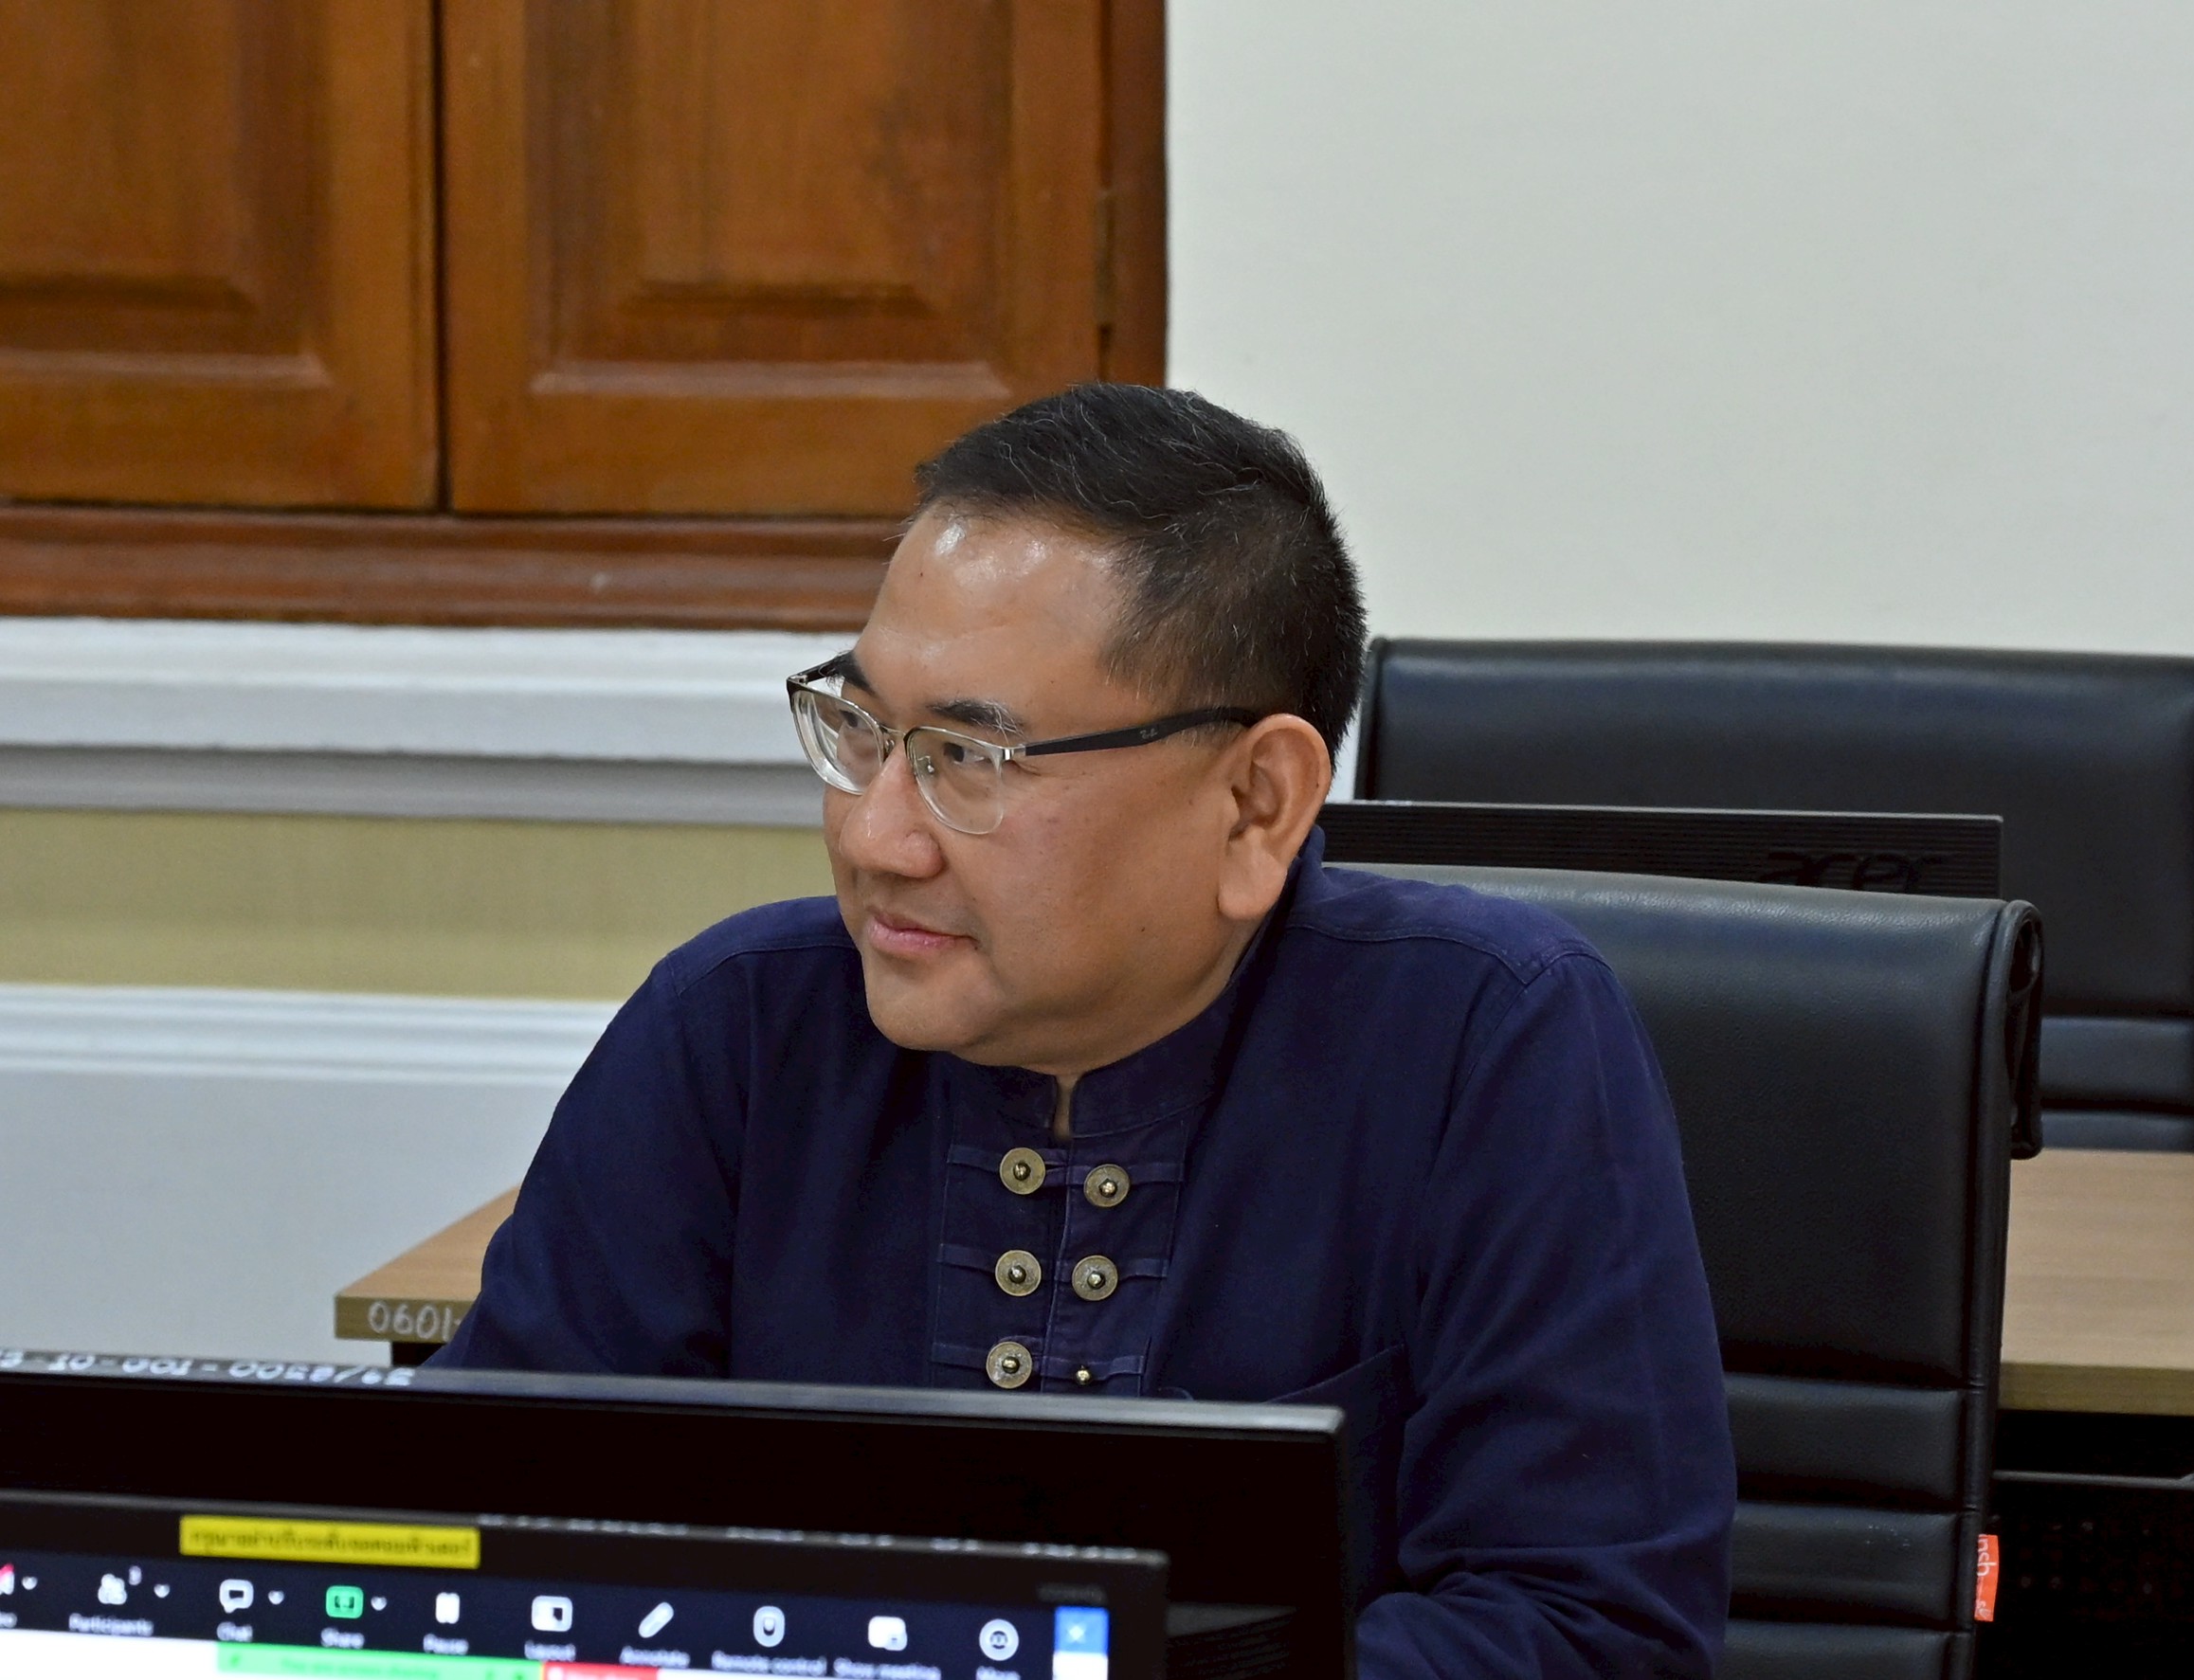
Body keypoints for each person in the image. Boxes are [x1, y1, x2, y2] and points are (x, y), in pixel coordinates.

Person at [436, 383, 1735, 1676]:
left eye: (968, 757)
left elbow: (1586, 1631)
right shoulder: (735, 1032)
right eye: (862, 729)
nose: (876, 837)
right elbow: (474, 1550)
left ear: (1255, 804)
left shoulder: (1485, 1043)